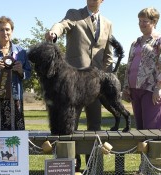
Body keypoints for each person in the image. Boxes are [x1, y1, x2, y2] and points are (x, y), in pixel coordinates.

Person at [45, 0, 113, 171]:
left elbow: (108, 56)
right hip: (73, 85)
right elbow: (62, 25)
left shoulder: (108, 23)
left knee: (95, 126)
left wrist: (105, 80)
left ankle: (93, 166)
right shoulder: (74, 14)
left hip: (94, 86)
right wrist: (54, 32)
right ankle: (71, 165)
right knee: (70, 126)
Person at [123, 7, 161, 130]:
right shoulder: (135, 43)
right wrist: (126, 88)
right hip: (135, 90)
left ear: (154, 22)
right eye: (139, 21)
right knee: (140, 130)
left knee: (151, 131)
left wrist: (158, 88)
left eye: (145, 21)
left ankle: (154, 150)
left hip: (152, 90)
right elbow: (129, 65)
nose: (141, 24)